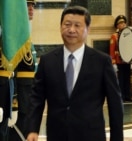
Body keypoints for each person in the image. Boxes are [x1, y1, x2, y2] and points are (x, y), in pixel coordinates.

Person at [26, 5, 124, 141]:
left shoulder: (102, 61)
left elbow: (115, 103)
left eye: (77, 25)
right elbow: (36, 98)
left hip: (91, 135)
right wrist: (32, 129)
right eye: (67, 24)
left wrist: (117, 137)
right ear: (60, 27)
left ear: (87, 29)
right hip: (57, 135)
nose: (71, 30)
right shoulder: (47, 61)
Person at [8, 0, 38, 140]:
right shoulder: (14, 36)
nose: (31, 9)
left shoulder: (24, 34)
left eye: (33, 6)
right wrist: (14, 97)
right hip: (20, 93)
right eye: (27, 5)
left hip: (29, 90)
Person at [109, 15, 132, 102]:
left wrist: (131, 60)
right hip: (118, 61)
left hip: (127, 60)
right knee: (120, 80)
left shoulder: (128, 35)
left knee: (127, 79)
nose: (123, 25)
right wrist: (113, 63)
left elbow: (130, 48)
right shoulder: (114, 36)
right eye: (121, 23)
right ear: (117, 26)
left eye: (124, 23)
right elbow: (112, 50)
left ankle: (128, 96)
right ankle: (121, 97)